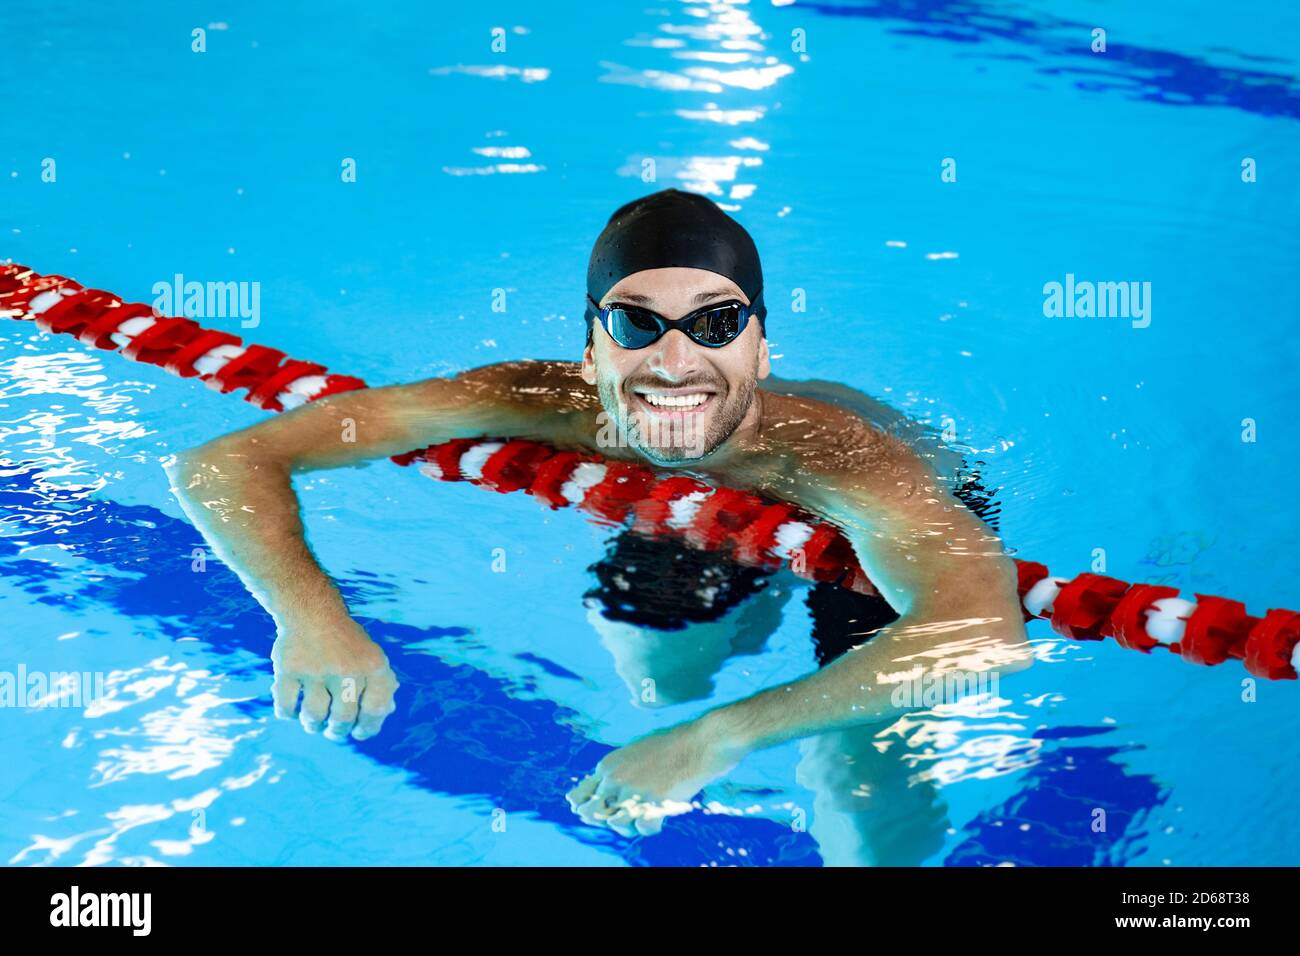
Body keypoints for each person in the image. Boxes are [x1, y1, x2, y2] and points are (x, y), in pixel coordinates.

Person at [167, 188, 1031, 837]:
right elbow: (224, 461)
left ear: (762, 349)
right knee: (659, 680)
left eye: (717, 323)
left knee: (860, 771)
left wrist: (717, 739)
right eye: (636, 323)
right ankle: (746, 606)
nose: (676, 358)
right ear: (590, 351)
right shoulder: (537, 396)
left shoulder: (848, 457)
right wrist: (311, 616)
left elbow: (984, 630)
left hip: (873, 532)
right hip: (690, 512)